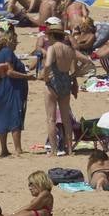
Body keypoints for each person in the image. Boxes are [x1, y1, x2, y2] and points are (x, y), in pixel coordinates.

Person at [0, 26, 30, 157]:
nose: (16, 44)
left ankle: (4, 149)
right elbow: (10, 72)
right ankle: (18, 149)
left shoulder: (0, 53)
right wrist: (27, 76)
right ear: (10, 40)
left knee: (2, 118)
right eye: (15, 41)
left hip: (1, 89)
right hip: (10, 89)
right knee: (15, 118)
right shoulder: (8, 52)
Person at [40, 19, 79, 156]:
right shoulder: (69, 49)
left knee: (50, 118)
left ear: (51, 35)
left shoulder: (52, 48)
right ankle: (69, 149)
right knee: (66, 118)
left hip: (54, 81)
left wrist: (44, 77)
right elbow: (74, 70)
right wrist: (74, 84)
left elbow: (47, 64)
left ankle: (54, 150)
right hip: (66, 81)